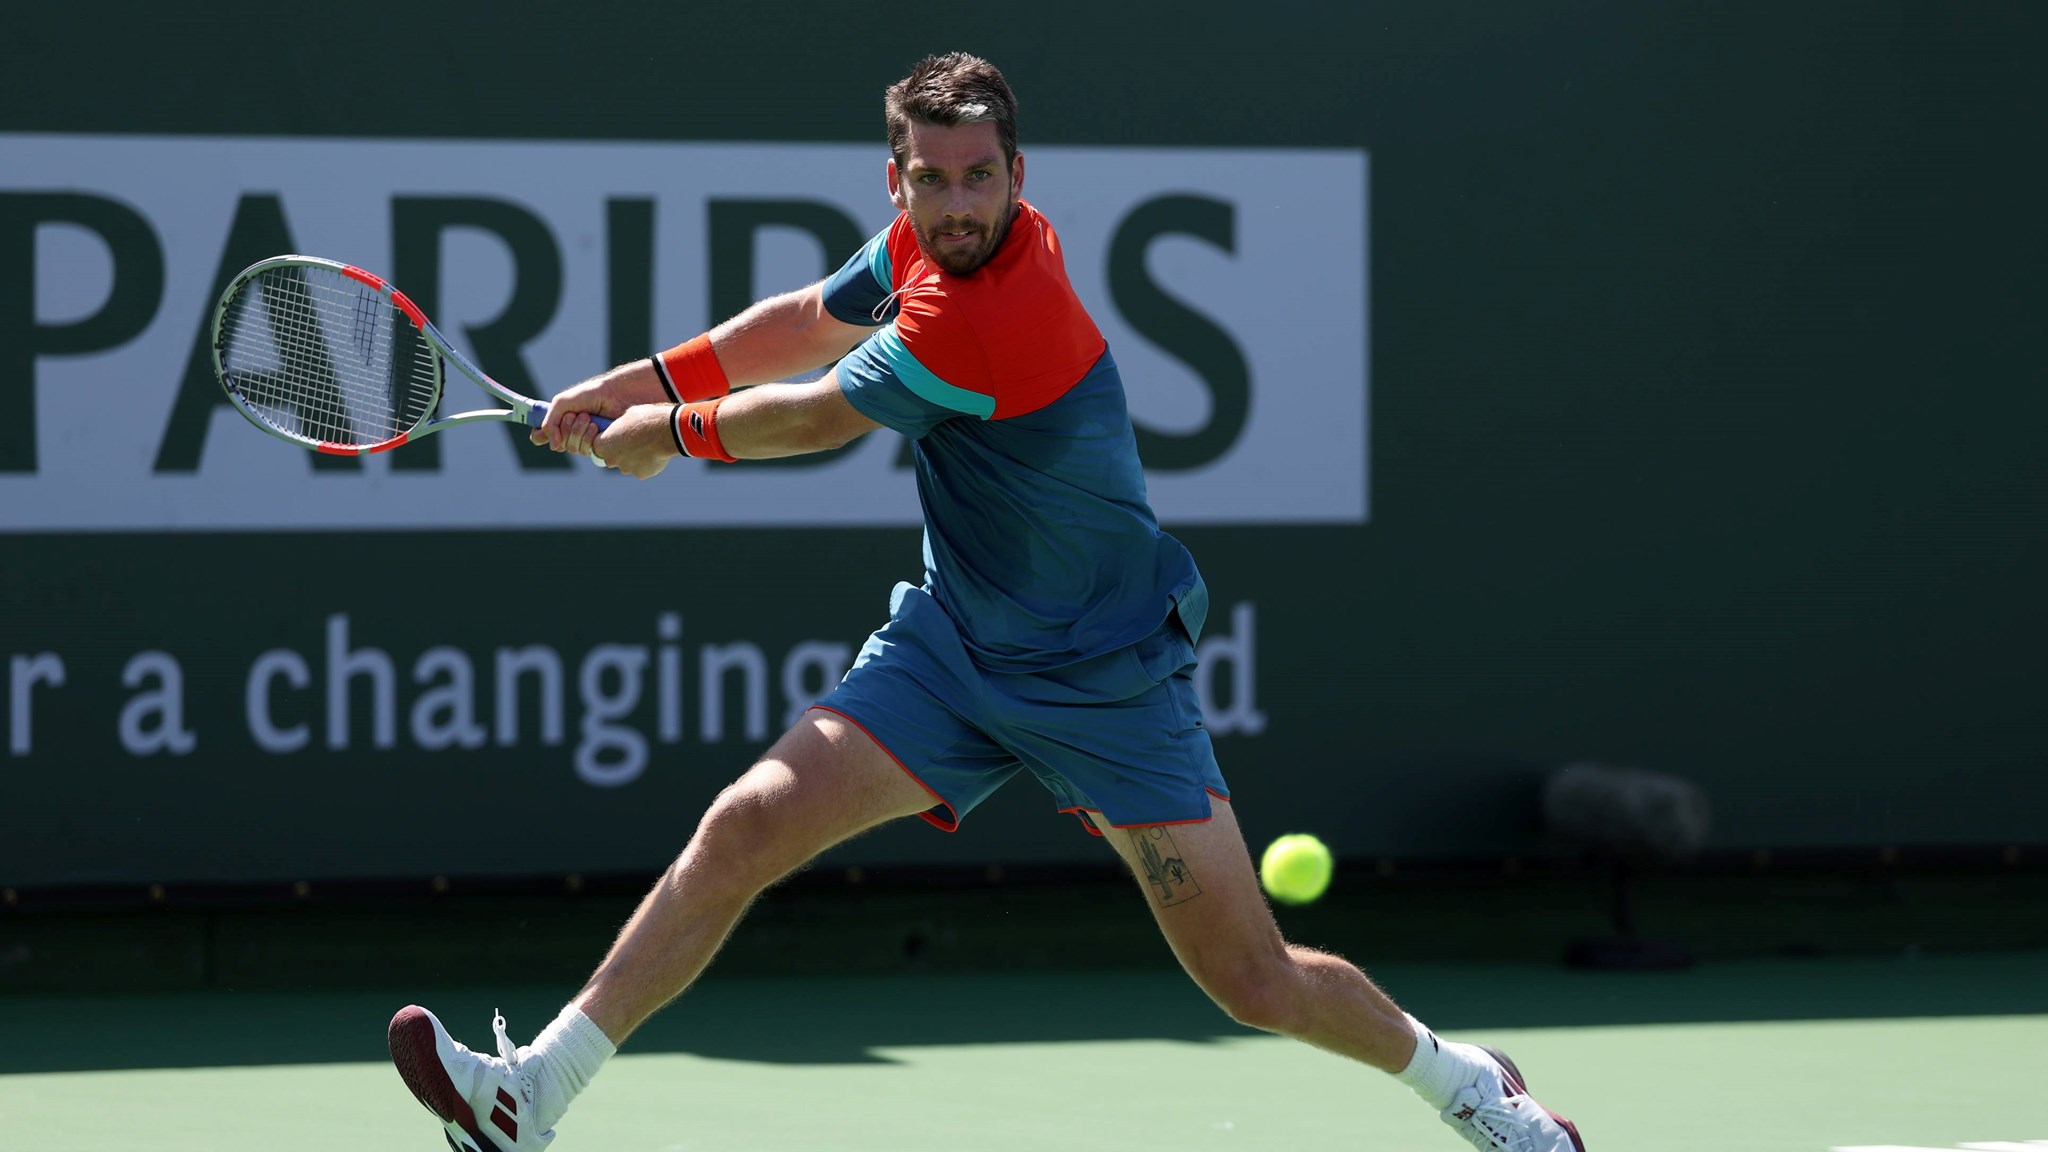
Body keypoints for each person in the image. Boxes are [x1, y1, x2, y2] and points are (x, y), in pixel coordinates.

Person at [385, 52, 1585, 1152]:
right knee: (748, 824)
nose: (956, 205)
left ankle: (1465, 1084)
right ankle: (530, 1094)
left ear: (1018, 174)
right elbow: (801, 322)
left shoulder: (988, 312)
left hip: (1107, 673)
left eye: (977, 180)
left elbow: (808, 412)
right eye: (930, 181)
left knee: (1251, 981)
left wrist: (656, 436)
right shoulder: (918, 244)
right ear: (896, 181)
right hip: (955, 644)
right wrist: (626, 383)